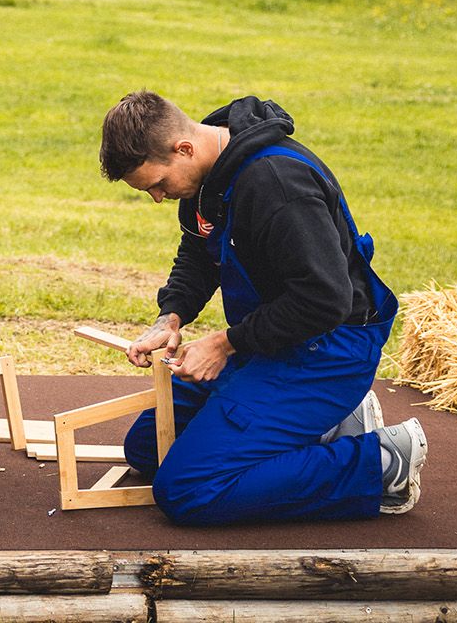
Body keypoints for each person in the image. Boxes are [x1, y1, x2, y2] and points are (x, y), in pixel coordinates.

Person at [99, 91, 427, 525]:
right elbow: (199, 253)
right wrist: (171, 315)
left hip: (328, 351)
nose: (158, 197)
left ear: (184, 148)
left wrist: (224, 344)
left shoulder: (278, 183)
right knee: (146, 446)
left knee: (187, 489)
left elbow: (326, 299)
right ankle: (331, 425)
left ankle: (380, 461)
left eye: (158, 184)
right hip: (274, 342)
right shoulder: (208, 178)